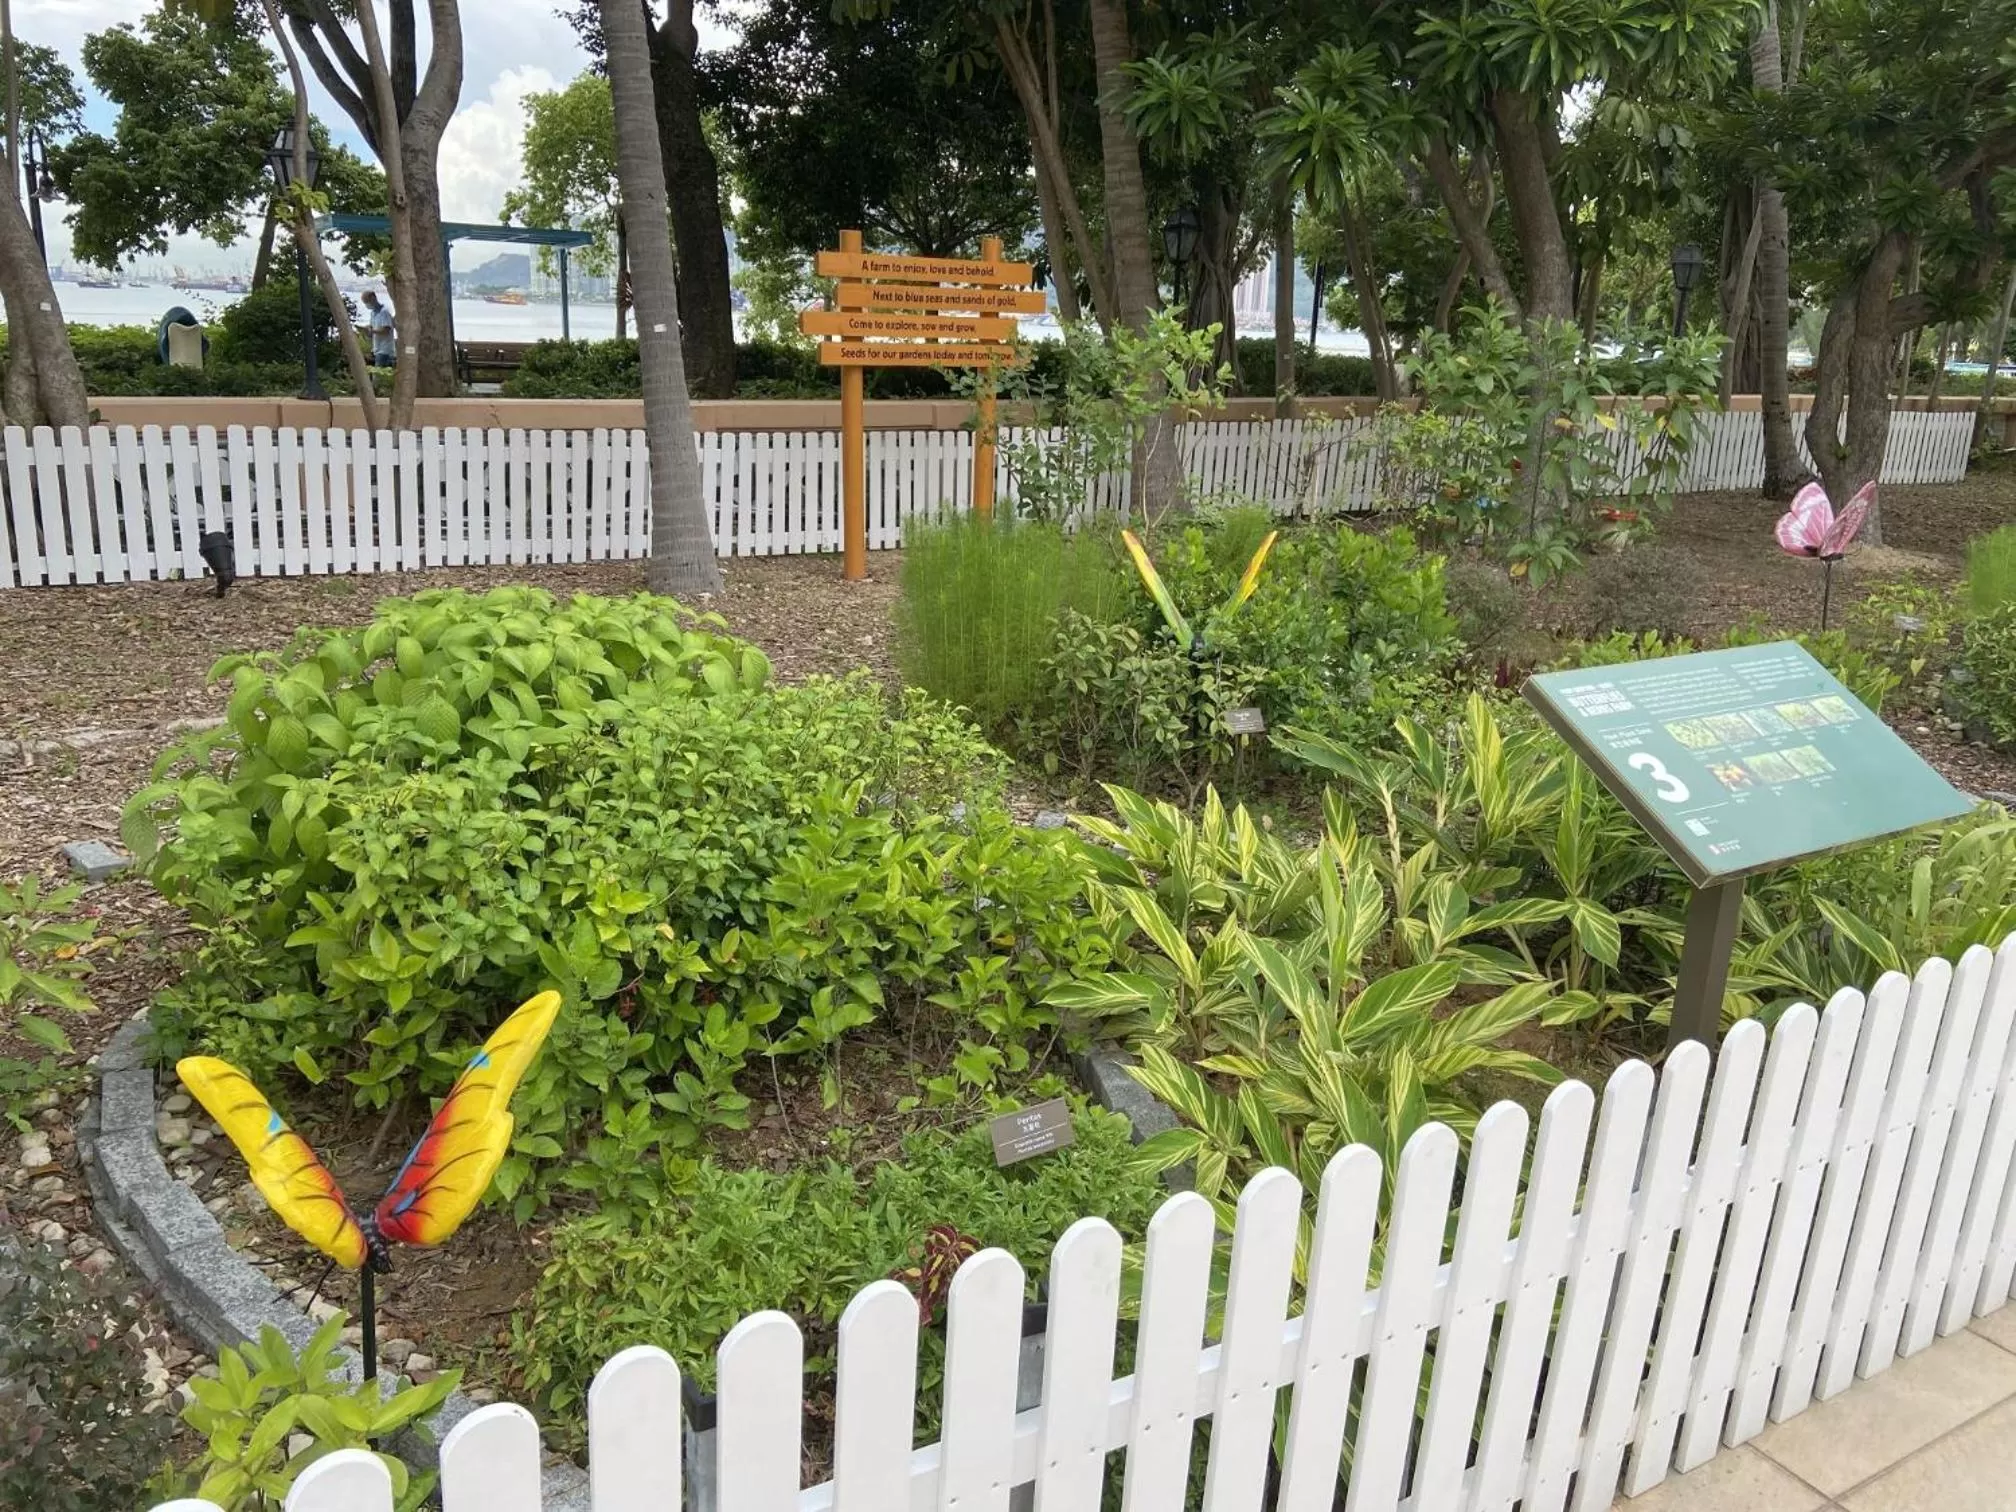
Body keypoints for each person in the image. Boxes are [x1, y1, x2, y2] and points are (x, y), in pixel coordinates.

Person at [361, 290, 396, 367]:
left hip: (385, 350)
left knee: (377, 377)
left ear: (373, 298)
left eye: (367, 301)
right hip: (376, 349)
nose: (367, 305)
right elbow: (372, 330)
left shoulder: (384, 312)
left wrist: (372, 330)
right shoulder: (373, 313)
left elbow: (386, 330)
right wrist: (367, 331)